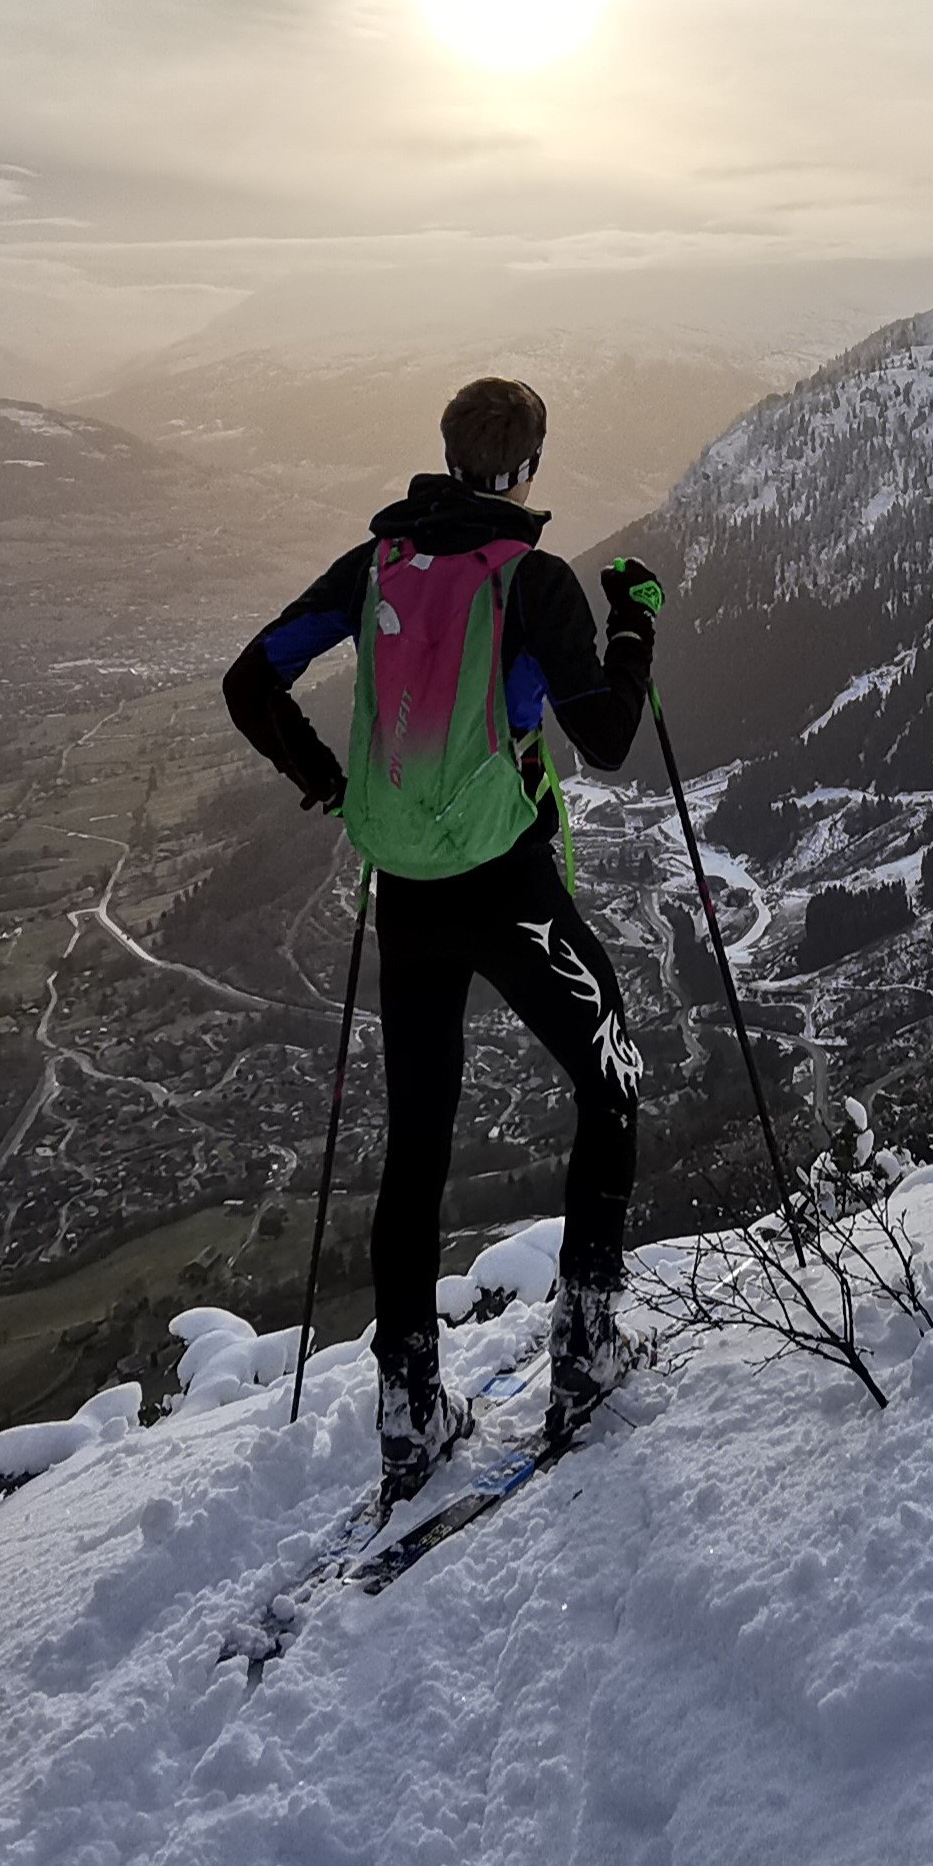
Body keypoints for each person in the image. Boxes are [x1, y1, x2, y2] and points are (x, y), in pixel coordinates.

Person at [223, 375, 669, 1506]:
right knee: (609, 1079)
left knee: (416, 1143)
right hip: (505, 882)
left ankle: (408, 1412)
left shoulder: (377, 564)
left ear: (444, 453)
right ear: (527, 467)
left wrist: (322, 777)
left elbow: (250, 678)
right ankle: (586, 1346)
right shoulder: (532, 581)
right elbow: (608, 736)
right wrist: (634, 620)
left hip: (405, 891)